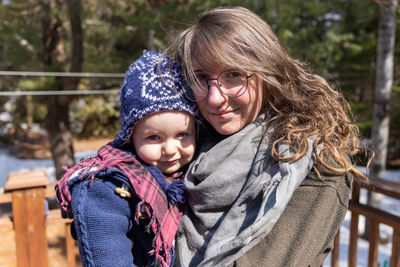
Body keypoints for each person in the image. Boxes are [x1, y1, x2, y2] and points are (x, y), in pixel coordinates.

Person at [166, 6, 368, 267]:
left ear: (267, 71)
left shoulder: (312, 159)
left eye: (234, 75)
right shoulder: (185, 143)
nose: (215, 98)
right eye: (201, 77)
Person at [55, 50, 200, 267]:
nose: (170, 149)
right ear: (130, 137)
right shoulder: (107, 186)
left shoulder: (191, 173)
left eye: (182, 134)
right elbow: (107, 256)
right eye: (154, 137)